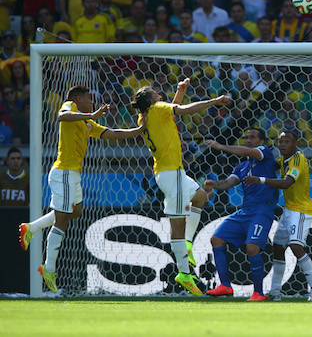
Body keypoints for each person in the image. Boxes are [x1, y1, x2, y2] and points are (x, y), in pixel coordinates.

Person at [18, 85, 148, 293]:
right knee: (62, 219)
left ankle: (31, 228)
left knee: (75, 212)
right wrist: (92, 114)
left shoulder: (87, 122)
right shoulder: (70, 106)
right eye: (89, 99)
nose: (92, 102)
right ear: (79, 99)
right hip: (64, 173)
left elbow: (112, 133)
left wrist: (137, 131)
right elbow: (62, 116)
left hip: (73, 175)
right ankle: (48, 268)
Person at [131, 79, 231, 295]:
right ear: (152, 99)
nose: (160, 95)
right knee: (177, 225)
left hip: (174, 173)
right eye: (156, 93)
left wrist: (180, 91)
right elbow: (183, 110)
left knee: (201, 197)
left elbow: (172, 112)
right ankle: (184, 273)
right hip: (170, 175)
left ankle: (186, 242)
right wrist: (215, 100)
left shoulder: (147, 114)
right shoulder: (157, 108)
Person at [244, 130, 312, 301]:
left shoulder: (298, 159)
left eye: (287, 141)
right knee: (278, 248)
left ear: (296, 143)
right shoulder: (283, 160)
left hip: (301, 210)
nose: (283, 145)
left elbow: (287, 183)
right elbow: (268, 163)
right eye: (280, 142)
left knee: (296, 246)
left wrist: (261, 179)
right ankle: (275, 292)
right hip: (289, 211)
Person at [204, 128, 279, 301]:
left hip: (262, 210)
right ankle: (225, 286)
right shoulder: (242, 166)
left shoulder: (265, 153)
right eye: (245, 137)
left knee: (252, 247)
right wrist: (214, 184)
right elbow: (227, 183)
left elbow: (247, 151)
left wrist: (221, 146)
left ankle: (258, 293)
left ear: (261, 142)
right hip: (245, 211)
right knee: (216, 239)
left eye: (252, 137)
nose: (248, 140)